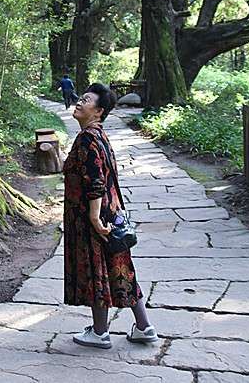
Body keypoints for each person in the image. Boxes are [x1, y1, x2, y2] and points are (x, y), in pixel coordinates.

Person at [63, 82, 157, 349]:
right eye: (80, 98)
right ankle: (144, 326)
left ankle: (100, 332)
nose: (80, 102)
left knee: (97, 270)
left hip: (95, 216)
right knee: (120, 267)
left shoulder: (87, 138)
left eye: (86, 100)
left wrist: (94, 218)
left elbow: (95, 182)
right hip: (111, 213)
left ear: (98, 111)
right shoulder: (99, 135)